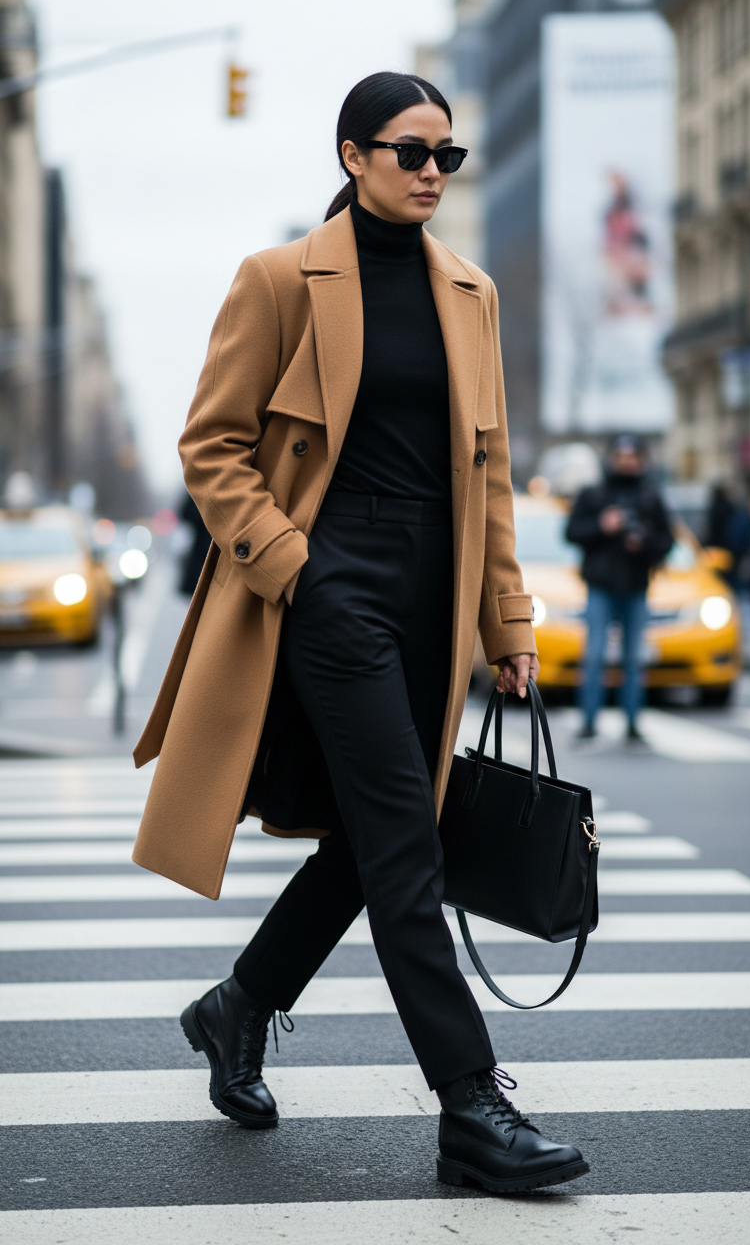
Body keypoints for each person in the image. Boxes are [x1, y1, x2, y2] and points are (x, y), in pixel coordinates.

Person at [132, 72, 589, 1194]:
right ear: (353, 155)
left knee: (384, 833)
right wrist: (297, 568)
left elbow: (489, 472)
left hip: (435, 594)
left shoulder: (471, 292)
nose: (432, 171)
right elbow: (212, 446)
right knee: (402, 847)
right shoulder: (282, 279)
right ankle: (471, 1105)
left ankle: (239, 1005)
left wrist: (506, 619)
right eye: (410, 151)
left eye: (448, 156)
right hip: (335, 593)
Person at [566, 435, 673, 740]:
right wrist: (602, 525)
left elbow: (668, 541)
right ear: (611, 458)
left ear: (642, 460)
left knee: (633, 659)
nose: (627, 462)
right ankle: (588, 720)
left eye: (633, 457)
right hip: (600, 587)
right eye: (621, 456)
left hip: (636, 588)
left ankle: (632, 722)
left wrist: (644, 541)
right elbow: (572, 532)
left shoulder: (651, 496)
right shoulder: (594, 494)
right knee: (595, 655)